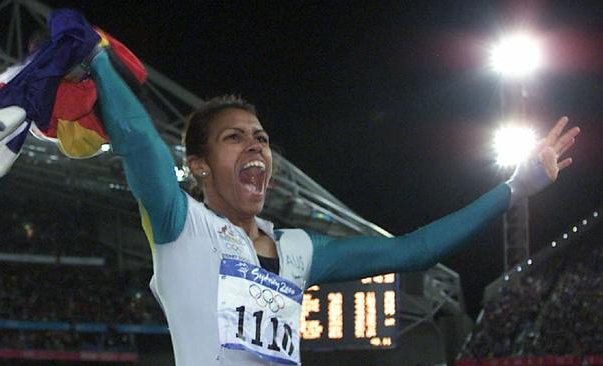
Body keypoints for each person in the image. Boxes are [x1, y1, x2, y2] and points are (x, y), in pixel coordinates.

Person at [87, 42, 579, 365]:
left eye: (260, 138)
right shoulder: (181, 228)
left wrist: (515, 188)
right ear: (199, 165)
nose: (255, 146)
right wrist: (98, 60)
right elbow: (137, 141)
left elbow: (413, 252)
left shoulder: (299, 251)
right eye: (233, 138)